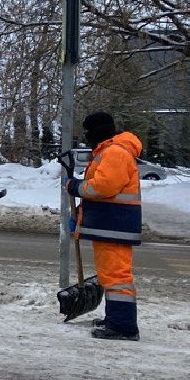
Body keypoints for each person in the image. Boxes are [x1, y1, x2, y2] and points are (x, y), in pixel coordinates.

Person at [67, 111, 142, 341]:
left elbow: (103, 187)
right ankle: (114, 319)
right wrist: (80, 217)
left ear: (97, 131)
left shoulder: (115, 152)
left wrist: (76, 187)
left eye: (88, 132)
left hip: (115, 226)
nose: (87, 136)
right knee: (110, 276)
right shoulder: (108, 150)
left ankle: (123, 327)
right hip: (110, 225)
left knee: (117, 277)